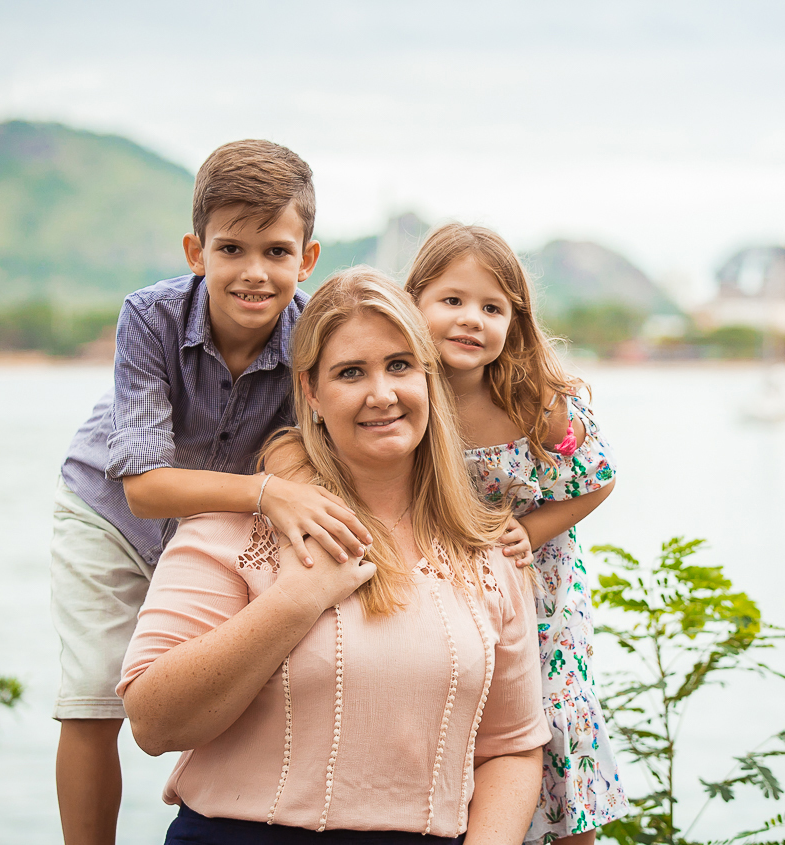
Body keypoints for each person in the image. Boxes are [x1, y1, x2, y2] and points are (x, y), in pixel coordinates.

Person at [118, 267, 550, 843]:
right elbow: (152, 723)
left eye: (400, 365)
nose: (382, 394)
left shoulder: (487, 553)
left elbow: (512, 749)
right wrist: (299, 599)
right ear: (312, 394)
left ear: (429, 379)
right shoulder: (229, 531)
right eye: (351, 373)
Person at [51, 140, 372, 845]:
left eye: (277, 251)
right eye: (232, 249)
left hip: (216, 528)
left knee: (244, 672)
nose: (254, 272)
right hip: (108, 513)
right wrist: (266, 492)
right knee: (94, 697)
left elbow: (312, 446)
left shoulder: (314, 331)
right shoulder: (151, 316)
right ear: (197, 251)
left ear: (307, 259)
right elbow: (142, 488)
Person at [406, 224, 628, 843]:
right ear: (414, 301)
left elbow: (598, 479)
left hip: (538, 593)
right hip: (447, 588)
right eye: (451, 300)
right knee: (466, 719)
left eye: (491, 307)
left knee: (553, 714)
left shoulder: (536, 403)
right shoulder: (401, 396)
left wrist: (531, 531)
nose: (470, 319)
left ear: (515, 322)